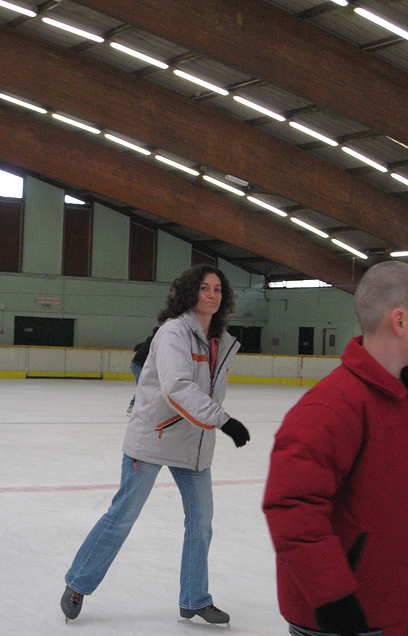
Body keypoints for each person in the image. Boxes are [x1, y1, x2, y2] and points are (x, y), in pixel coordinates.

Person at [61, 265, 250, 625]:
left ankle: (195, 597)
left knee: (201, 522)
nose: (212, 294)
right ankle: (78, 582)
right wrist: (222, 420)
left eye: (218, 290)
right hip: (154, 437)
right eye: (204, 288)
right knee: (122, 517)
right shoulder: (174, 333)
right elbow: (177, 387)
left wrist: (211, 423)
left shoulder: (219, 341)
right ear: (190, 292)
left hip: (193, 443)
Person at [262, 260, 408, 636]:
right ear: (400, 321)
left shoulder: (398, 397)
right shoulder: (332, 406)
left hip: (390, 604)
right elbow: (292, 505)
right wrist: (335, 601)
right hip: (348, 618)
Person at [126, 326, 159, 415]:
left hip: (133, 365)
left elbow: (134, 348)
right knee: (141, 387)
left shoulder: (147, 341)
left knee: (142, 386)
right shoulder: (155, 344)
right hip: (139, 366)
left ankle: (135, 405)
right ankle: (132, 405)